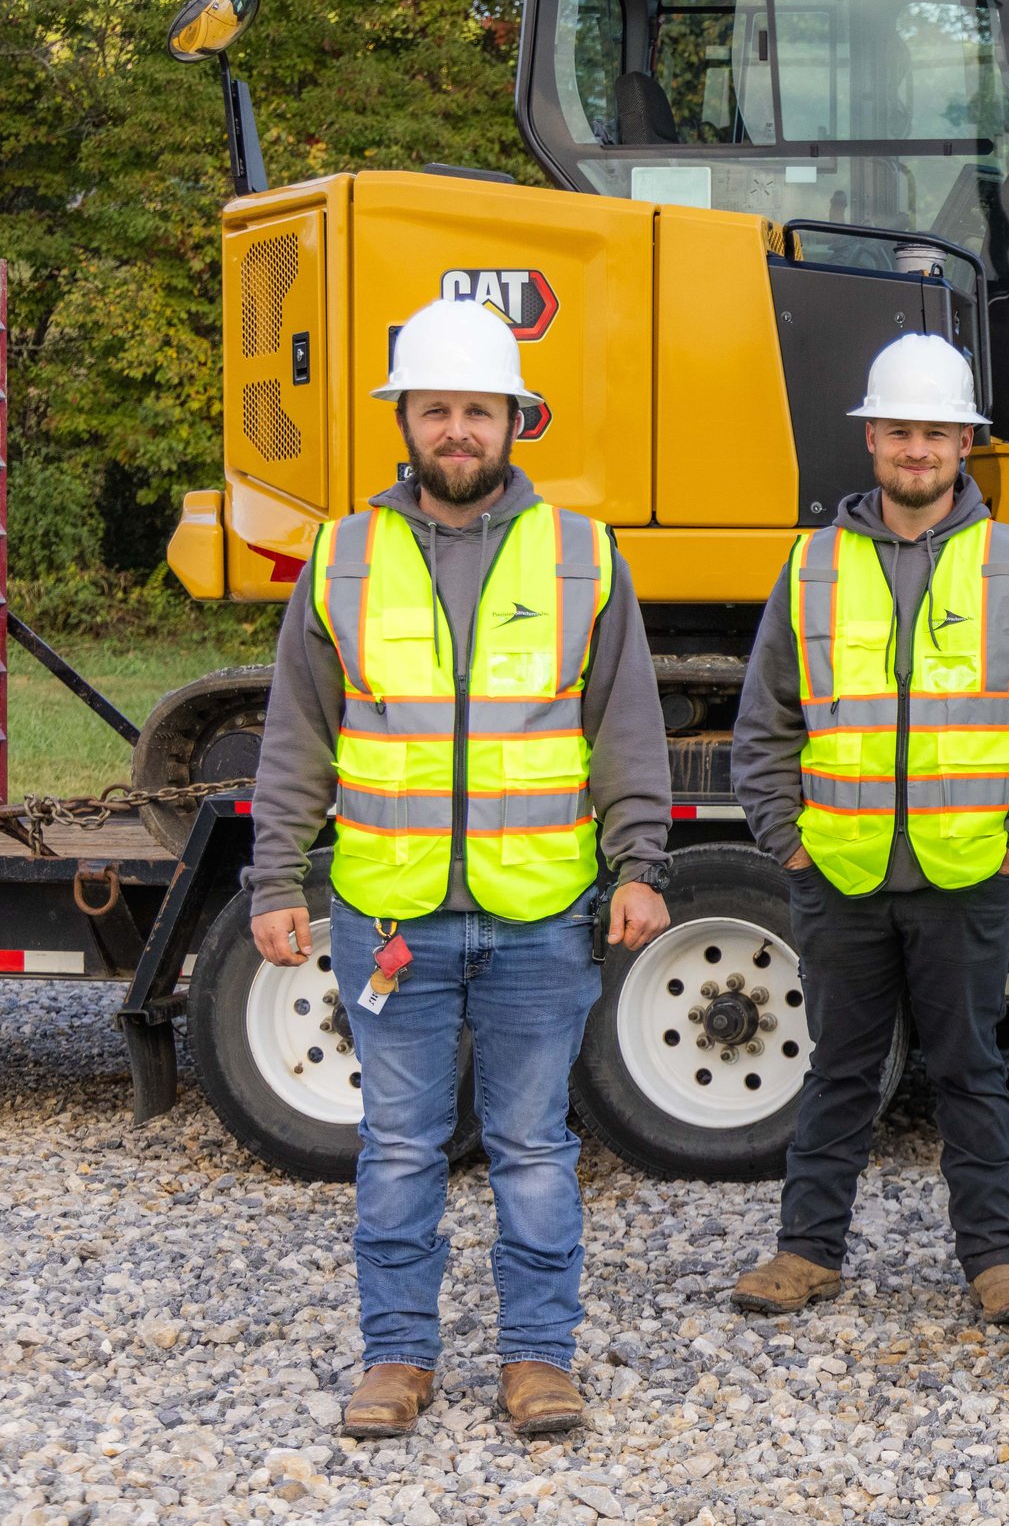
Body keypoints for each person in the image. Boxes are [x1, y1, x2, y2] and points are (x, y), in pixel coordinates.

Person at [246, 297, 674, 1440]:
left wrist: (640, 859)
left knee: (535, 1146)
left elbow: (624, 723)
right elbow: (297, 734)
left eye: (475, 409)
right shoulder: (343, 554)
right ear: (407, 421)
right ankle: (397, 1358)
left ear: (514, 421)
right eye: (434, 408)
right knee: (396, 1147)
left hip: (538, 912)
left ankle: (539, 1357)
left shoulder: (583, 554)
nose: (455, 429)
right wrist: (275, 880)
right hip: (390, 911)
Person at [727, 334, 1009, 1326]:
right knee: (839, 1063)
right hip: (836, 867)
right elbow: (767, 717)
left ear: (964, 442)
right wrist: (784, 837)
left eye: (935, 431)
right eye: (899, 430)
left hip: (972, 869)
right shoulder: (813, 565)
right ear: (871, 437)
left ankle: (994, 1258)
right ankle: (807, 1250)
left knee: (970, 1064)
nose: (916, 447)